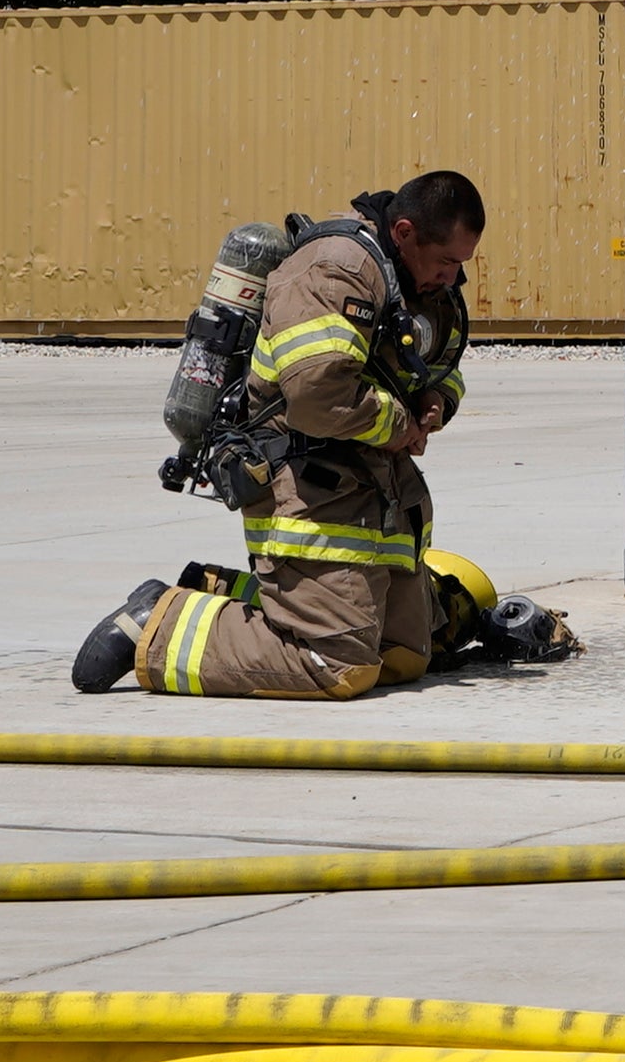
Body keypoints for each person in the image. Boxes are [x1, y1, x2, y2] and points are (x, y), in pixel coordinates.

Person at [72, 172, 486, 698]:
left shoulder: (418, 281)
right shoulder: (334, 271)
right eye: (446, 261)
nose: (452, 277)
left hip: (375, 491)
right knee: (337, 665)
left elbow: (441, 361)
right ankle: (160, 623)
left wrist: (438, 401)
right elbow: (318, 397)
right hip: (309, 486)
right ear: (405, 232)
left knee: (403, 655)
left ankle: (235, 595)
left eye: (461, 264)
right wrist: (403, 427)